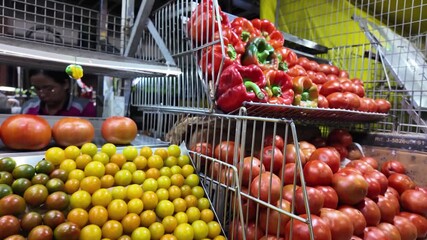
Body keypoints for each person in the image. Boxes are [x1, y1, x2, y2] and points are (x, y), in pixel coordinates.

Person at [21, 70, 96, 117]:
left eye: (49, 89)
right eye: (37, 89)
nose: (42, 94)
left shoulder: (83, 108)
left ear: (65, 84)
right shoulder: (28, 108)